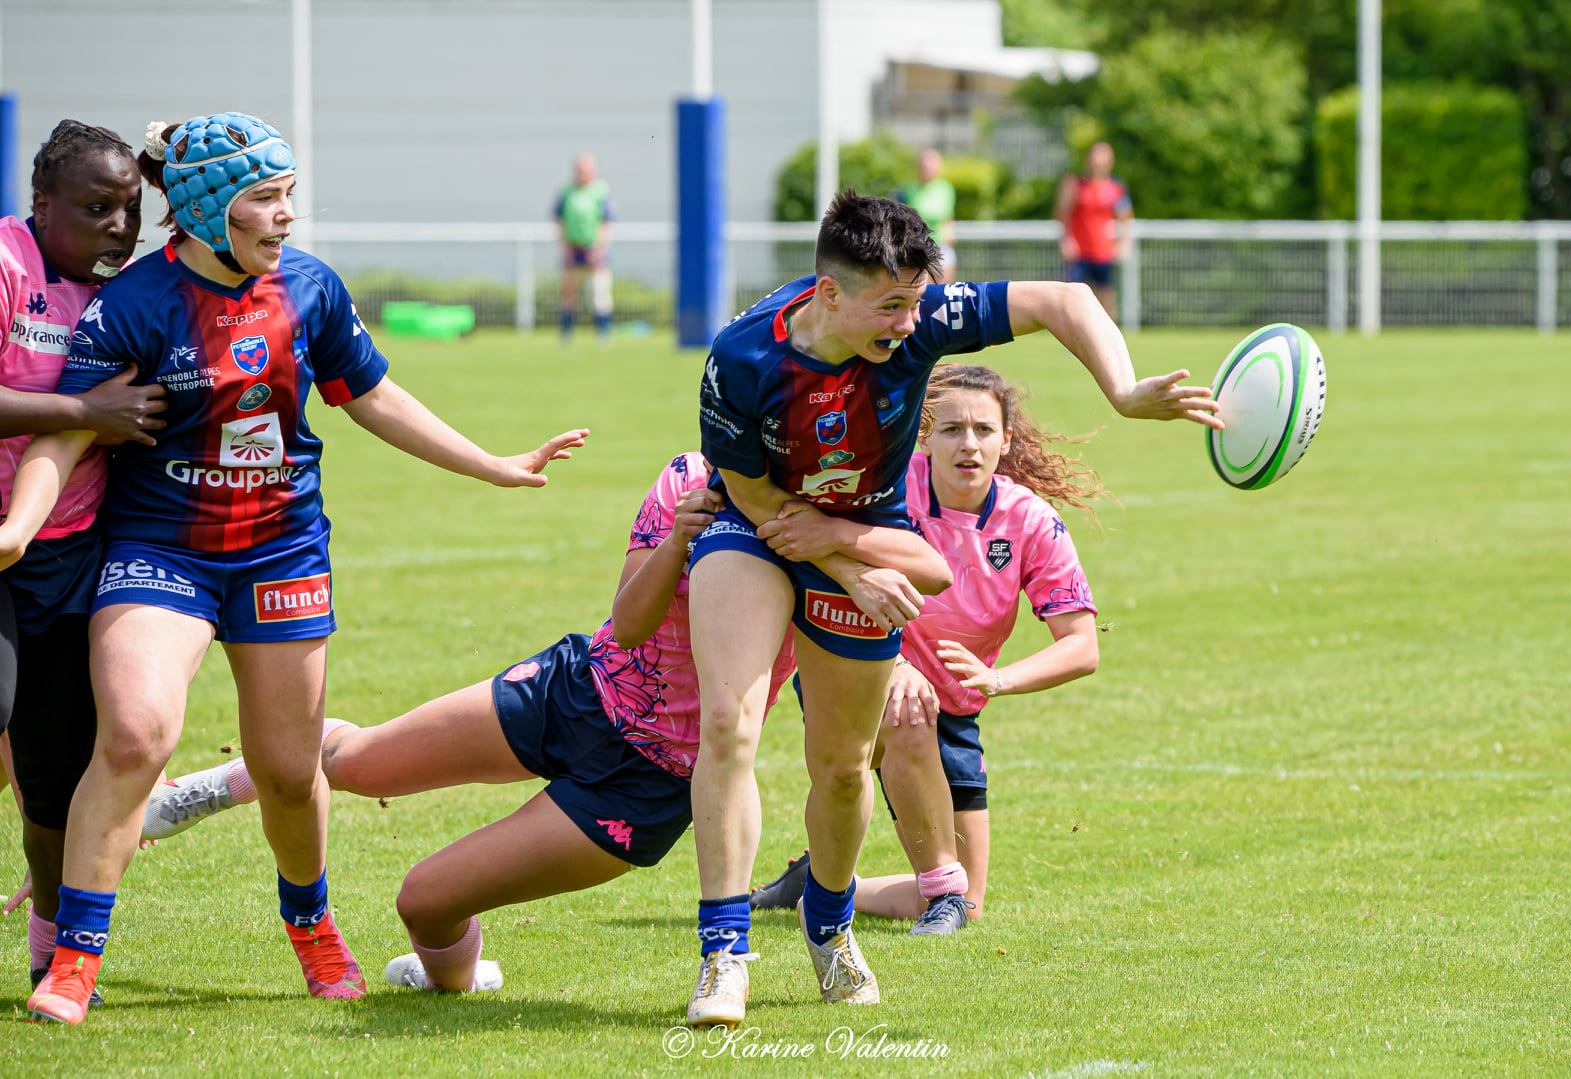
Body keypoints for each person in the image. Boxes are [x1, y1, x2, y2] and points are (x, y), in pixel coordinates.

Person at [0, 112, 586, 1026]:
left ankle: (310, 921)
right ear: (205, 207)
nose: (286, 218)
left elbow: (375, 396)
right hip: (162, 551)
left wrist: (493, 462)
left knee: (283, 767)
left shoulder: (309, 289)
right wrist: (19, 527)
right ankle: (74, 958)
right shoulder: (135, 304)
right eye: (267, 200)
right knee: (135, 735)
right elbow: (65, 429)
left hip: (279, 550)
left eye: (288, 198)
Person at [139, 451, 944, 1009]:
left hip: (650, 778)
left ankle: (454, 979)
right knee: (355, 759)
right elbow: (628, 625)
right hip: (575, 689)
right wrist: (680, 537)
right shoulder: (688, 478)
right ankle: (206, 788)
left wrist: (887, 642)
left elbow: (885, 609)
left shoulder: (836, 517)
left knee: (423, 904)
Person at [686, 190, 1221, 1027]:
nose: (907, 324)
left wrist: (1119, 389)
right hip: (758, 527)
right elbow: (752, 491)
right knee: (729, 722)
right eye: (888, 306)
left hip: (864, 533)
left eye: (914, 301)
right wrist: (841, 562)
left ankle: (828, 927)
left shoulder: (924, 317)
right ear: (829, 294)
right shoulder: (744, 357)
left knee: (839, 764)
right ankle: (723, 955)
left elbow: (1064, 298)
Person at [751, 364, 1103, 930]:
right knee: (906, 707)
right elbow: (809, 538)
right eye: (952, 429)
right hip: (858, 673)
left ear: (1006, 440)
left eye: (985, 430)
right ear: (925, 434)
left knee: (968, 903)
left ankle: (821, 881)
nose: (969, 444)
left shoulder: (1031, 521)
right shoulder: (886, 487)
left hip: (957, 708)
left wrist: (998, 680)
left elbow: (1082, 646)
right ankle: (928, 888)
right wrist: (890, 663)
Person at [0, 120, 175, 1004]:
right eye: (94, 206)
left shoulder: (134, 296)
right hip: (0, 545)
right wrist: (82, 409)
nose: (117, 225)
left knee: (55, 773)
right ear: (41, 205)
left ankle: (49, 950)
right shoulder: (6, 265)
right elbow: (84, 413)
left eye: (130, 209)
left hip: (74, 559)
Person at [1055, 142, 1133, 320]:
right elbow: (1062, 213)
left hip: (1104, 251)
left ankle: (1108, 340)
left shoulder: (1116, 188)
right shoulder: (1075, 184)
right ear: (1087, 159)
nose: (1098, 161)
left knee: (1106, 296)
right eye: (1095, 156)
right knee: (1071, 296)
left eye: (1103, 156)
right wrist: (1066, 239)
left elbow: (1126, 218)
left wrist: (1124, 242)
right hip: (1079, 252)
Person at [554, 153, 615, 342]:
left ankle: (603, 332)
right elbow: (560, 219)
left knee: (599, 291)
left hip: (594, 248)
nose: (583, 174)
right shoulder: (567, 192)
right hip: (573, 247)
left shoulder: (600, 191)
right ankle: (566, 333)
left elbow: (606, 221)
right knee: (569, 291)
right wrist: (564, 245)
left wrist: (600, 246)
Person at [897, 149, 957, 284]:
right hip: (917, 246)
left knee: (943, 289)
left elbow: (947, 216)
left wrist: (950, 235)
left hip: (941, 244)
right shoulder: (908, 189)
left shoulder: (945, 188)